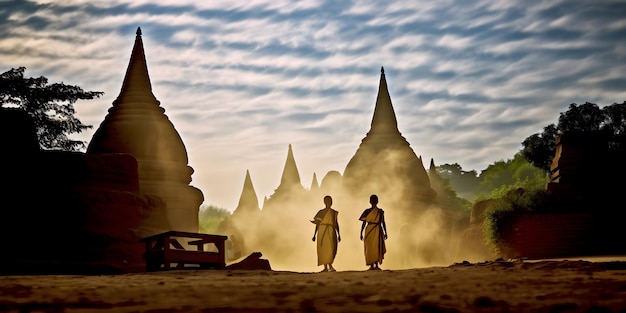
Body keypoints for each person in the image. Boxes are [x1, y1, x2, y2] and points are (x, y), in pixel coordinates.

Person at [311, 195, 341, 272]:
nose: (329, 203)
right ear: (324, 202)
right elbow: (317, 224)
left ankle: (330, 265)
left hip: (331, 231)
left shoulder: (334, 213)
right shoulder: (321, 212)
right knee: (323, 248)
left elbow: (336, 223)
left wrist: (339, 234)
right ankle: (325, 267)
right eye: (327, 201)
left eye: (330, 201)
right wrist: (314, 234)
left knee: (332, 248)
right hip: (322, 231)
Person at [359, 194, 387, 270]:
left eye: (375, 201)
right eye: (372, 201)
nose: (374, 202)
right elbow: (364, 222)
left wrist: (385, 232)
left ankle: (376, 264)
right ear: (370, 202)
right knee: (370, 247)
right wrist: (361, 233)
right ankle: (371, 265)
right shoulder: (367, 211)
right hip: (369, 230)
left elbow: (383, 222)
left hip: (378, 229)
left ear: (377, 201)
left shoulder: (380, 211)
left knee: (377, 247)